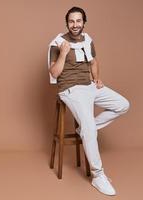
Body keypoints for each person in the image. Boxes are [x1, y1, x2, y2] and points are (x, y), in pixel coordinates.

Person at [47, 6, 130, 196]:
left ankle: (85, 128)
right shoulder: (57, 43)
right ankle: (97, 175)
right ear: (66, 23)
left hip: (89, 86)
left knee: (123, 105)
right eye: (71, 21)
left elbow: (93, 61)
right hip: (70, 89)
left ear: (84, 22)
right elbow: (53, 73)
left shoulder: (88, 39)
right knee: (89, 128)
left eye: (78, 21)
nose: (75, 25)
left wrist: (97, 78)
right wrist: (62, 54)